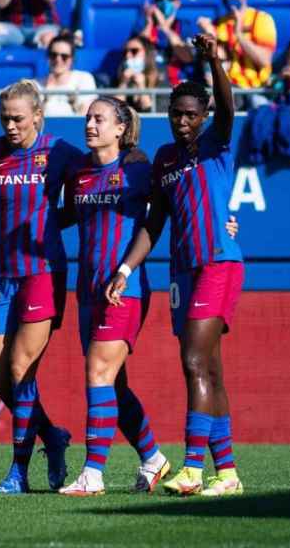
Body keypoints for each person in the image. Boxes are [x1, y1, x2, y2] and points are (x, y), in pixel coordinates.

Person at [107, 33, 245, 497]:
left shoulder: (216, 143)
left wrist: (214, 62)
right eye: (176, 113)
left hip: (217, 263)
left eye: (191, 114)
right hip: (182, 272)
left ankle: (189, 468)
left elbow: (228, 106)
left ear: (203, 117)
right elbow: (153, 224)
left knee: (193, 362)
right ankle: (227, 474)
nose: (183, 121)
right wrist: (125, 269)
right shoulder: (165, 160)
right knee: (211, 370)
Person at [0, 79, 80, 494]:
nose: (10, 126)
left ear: (37, 116)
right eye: (4, 118)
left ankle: (18, 473)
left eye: (18, 118)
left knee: (19, 369)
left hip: (43, 273)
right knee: (0, 380)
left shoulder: (60, 153)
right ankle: (54, 436)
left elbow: (98, 186)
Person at [55, 97, 171, 496]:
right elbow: (65, 215)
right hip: (86, 289)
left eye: (98, 118)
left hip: (126, 290)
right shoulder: (80, 172)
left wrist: (228, 219)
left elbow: (173, 207)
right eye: (87, 117)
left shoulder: (139, 170)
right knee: (113, 386)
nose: (89, 124)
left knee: (98, 374)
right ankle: (153, 457)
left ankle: (93, 474)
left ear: (121, 128)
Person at [197, 0, 276, 105]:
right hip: (229, 90)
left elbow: (264, 61)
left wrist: (238, 34)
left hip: (257, 89)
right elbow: (211, 67)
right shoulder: (217, 24)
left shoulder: (262, 19)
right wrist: (209, 39)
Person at [134, 0, 194, 87]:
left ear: (177, 3)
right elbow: (135, 53)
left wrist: (165, 27)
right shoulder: (142, 25)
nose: (164, 2)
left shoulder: (185, 26)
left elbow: (187, 56)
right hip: (150, 85)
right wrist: (149, 23)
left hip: (180, 86)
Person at [40, 33, 97, 116]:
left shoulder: (84, 79)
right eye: (53, 55)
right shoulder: (35, 85)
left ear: (72, 59)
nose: (58, 59)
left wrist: (73, 104)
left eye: (64, 56)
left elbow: (85, 116)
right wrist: (46, 97)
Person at [115, 36, 165, 113]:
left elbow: (153, 114)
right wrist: (123, 83)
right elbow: (115, 111)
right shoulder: (119, 78)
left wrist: (141, 87)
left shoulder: (160, 80)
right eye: (125, 52)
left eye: (134, 51)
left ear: (147, 53)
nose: (128, 55)